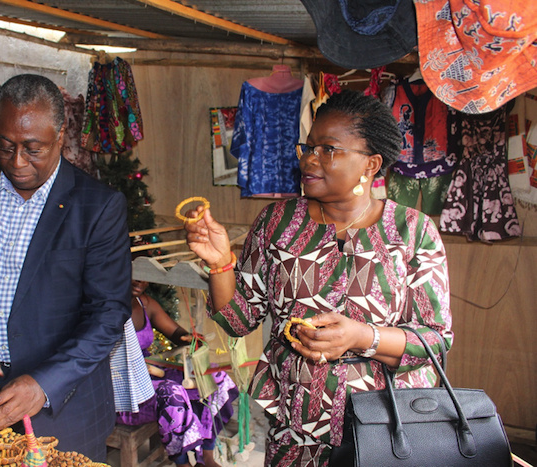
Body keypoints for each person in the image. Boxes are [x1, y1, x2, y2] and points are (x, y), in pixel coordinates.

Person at [184, 89, 452, 466]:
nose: (310, 159)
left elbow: (435, 340)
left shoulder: (411, 231)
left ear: (371, 165)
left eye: (328, 150)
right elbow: (237, 319)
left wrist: (361, 336)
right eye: (308, 147)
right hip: (296, 428)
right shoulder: (278, 222)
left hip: (386, 431)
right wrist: (219, 264)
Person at [0, 74, 131, 461]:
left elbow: (108, 313)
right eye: (5, 146)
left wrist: (44, 383)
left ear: (60, 137)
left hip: (64, 410)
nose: (17, 162)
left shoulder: (98, 206)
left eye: (33, 148)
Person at [118, 277, 238, 467]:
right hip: (124, 388)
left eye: (145, 277)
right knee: (172, 392)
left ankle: (206, 456)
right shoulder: (107, 307)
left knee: (215, 376)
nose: (140, 282)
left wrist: (191, 340)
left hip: (150, 371)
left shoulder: (145, 303)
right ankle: (182, 463)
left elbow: (176, 333)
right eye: (134, 273)